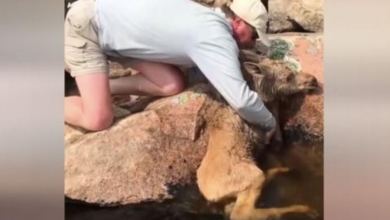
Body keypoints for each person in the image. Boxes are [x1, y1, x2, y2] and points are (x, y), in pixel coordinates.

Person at [64, 0, 277, 142]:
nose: (252, 44)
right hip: (89, 28)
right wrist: (269, 122)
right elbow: (241, 100)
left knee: (171, 84)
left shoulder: (207, 16)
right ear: (238, 23)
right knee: (98, 119)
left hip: (115, 30)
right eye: (254, 35)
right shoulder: (215, 36)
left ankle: (102, 88)